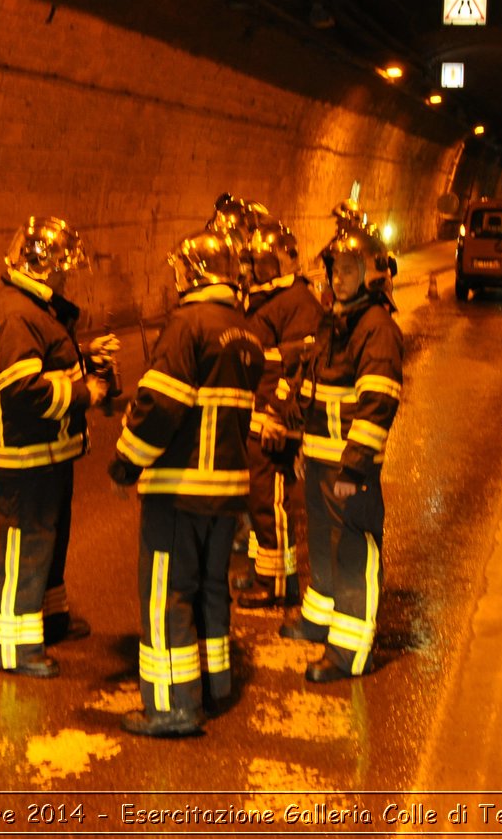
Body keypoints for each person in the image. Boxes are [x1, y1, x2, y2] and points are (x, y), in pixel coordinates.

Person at [108, 228, 264, 737]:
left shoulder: (187, 325)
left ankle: (174, 705)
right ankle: (216, 688)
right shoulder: (245, 331)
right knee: (211, 590)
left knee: (167, 595)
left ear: (194, 274)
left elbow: (160, 407)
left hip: (178, 490)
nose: (175, 279)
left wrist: (126, 465)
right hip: (226, 491)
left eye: (179, 270)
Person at [0, 217, 119, 676]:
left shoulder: (34, 308)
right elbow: (24, 389)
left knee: (51, 539)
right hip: (27, 455)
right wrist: (87, 394)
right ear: (41, 267)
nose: (65, 277)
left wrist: (86, 355)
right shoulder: (16, 313)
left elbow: (48, 358)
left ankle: (49, 618)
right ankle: (15, 646)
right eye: (61, 269)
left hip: (50, 451)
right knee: (27, 541)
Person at [278, 220, 404, 683]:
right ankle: (320, 618)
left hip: (349, 464)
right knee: (324, 542)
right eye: (334, 269)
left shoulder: (377, 330)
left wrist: (355, 466)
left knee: (353, 547)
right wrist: (301, 447)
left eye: (348, 270)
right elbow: (316, 389)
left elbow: (377, 403)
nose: (338, 278)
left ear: (372, 273)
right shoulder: (336, 321)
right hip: (319, 459)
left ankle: (351, 649)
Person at [208, 197, 323, 611]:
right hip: (255, 415)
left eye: (267, 264)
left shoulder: (298, 302)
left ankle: (277, 584)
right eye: (255, 263)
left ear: (286, 263)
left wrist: (277, 414)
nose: (259, 271)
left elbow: (299, 365)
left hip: (275, 419)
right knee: (258, 498)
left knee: (271, 498)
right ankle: (264, 570)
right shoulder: (260, 299)